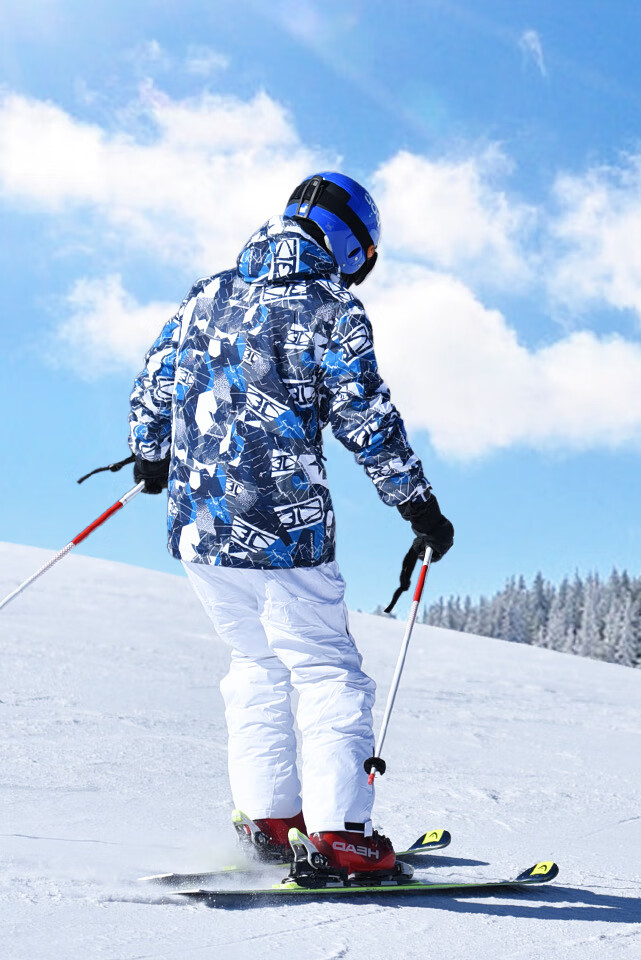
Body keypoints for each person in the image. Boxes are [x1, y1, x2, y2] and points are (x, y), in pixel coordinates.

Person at [128, 172, 454, 877]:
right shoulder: (328, 305)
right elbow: (366, 417)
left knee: (256, 664)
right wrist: (418, 507)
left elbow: (153, 381)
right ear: (344, 240)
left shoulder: (208, 293)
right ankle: (341, 834)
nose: (357, 271)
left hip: (198, 530)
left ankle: (273, 818)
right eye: (361, 255)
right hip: (283, 532)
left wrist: (151, 456)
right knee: (326, 670)